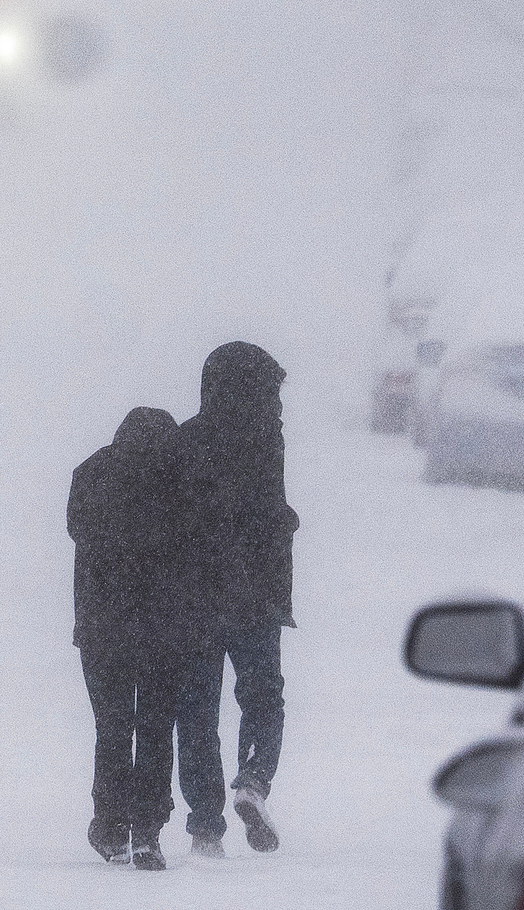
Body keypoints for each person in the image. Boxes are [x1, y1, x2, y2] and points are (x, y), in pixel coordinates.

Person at [171, 341, 298, 858]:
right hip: (256, 598)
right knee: (263, 697)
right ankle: (253, 779)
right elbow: (267, 518)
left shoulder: (187, 441)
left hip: (197, 598)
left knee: (197, 710)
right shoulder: (266, 442)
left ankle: (205, 824)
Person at [68, 405, 183, 871]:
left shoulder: (93, 472)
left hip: (102, 629)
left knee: (112, 728)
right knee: (156, 729)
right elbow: (193, 544)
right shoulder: (178, 481)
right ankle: (148, 831)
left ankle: (111, 825)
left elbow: (79, 530)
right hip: (163, 629)